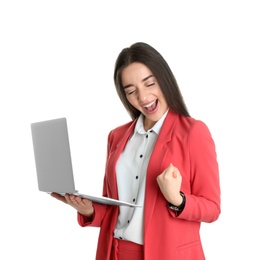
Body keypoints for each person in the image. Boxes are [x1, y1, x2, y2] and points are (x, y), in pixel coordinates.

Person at [51, 42, 221, 260]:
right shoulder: (117, 136)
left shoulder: (193, 132)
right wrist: (88, 210)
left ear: (164, 79)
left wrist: (176, 198)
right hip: (115, 252)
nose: (143, 97)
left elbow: (212, 208)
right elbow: (114, 208)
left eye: (149, 84)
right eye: (131, 91)